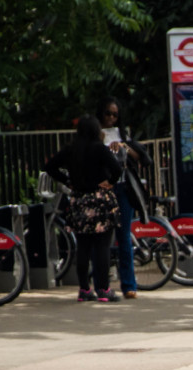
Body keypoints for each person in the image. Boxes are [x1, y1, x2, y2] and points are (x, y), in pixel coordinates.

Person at [43, 114, 124, 303]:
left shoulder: (71, 150)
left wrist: (68, 181)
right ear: (96, 131)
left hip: (79, 200)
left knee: (83, 247)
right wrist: (109, 182)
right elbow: (117, 169)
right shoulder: (99, 149)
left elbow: (50, 167)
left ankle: (84, 289)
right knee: (102, 246)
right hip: (100, 199)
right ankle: (103, 289)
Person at [97, 97, 151, 299]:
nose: (111, 118)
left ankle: (129, 284)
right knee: (101, 238)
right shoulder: (95, 134)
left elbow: (139, 157)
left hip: (122, 188)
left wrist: (123, 147)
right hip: (102, 190)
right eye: (107, 114)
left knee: (124, 236)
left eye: (114, 115)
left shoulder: (121, 134)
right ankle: (101, 284)